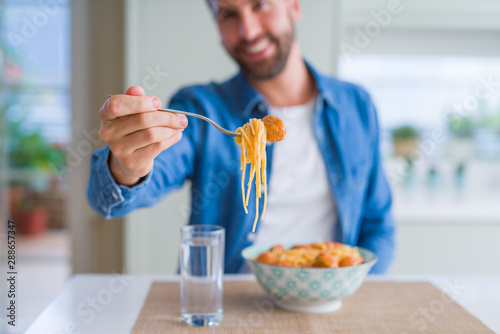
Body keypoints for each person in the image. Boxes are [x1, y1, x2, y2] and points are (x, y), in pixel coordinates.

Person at [87, 0, 395, 274]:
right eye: (228, 14)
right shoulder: (200, 107)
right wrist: (126, 168)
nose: (248, 31)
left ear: (294, 6)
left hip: (327, 298)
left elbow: (378, 225)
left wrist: (355, 283)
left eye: (260, 5)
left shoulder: (356, 106)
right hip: (225, 303)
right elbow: (119, 197)